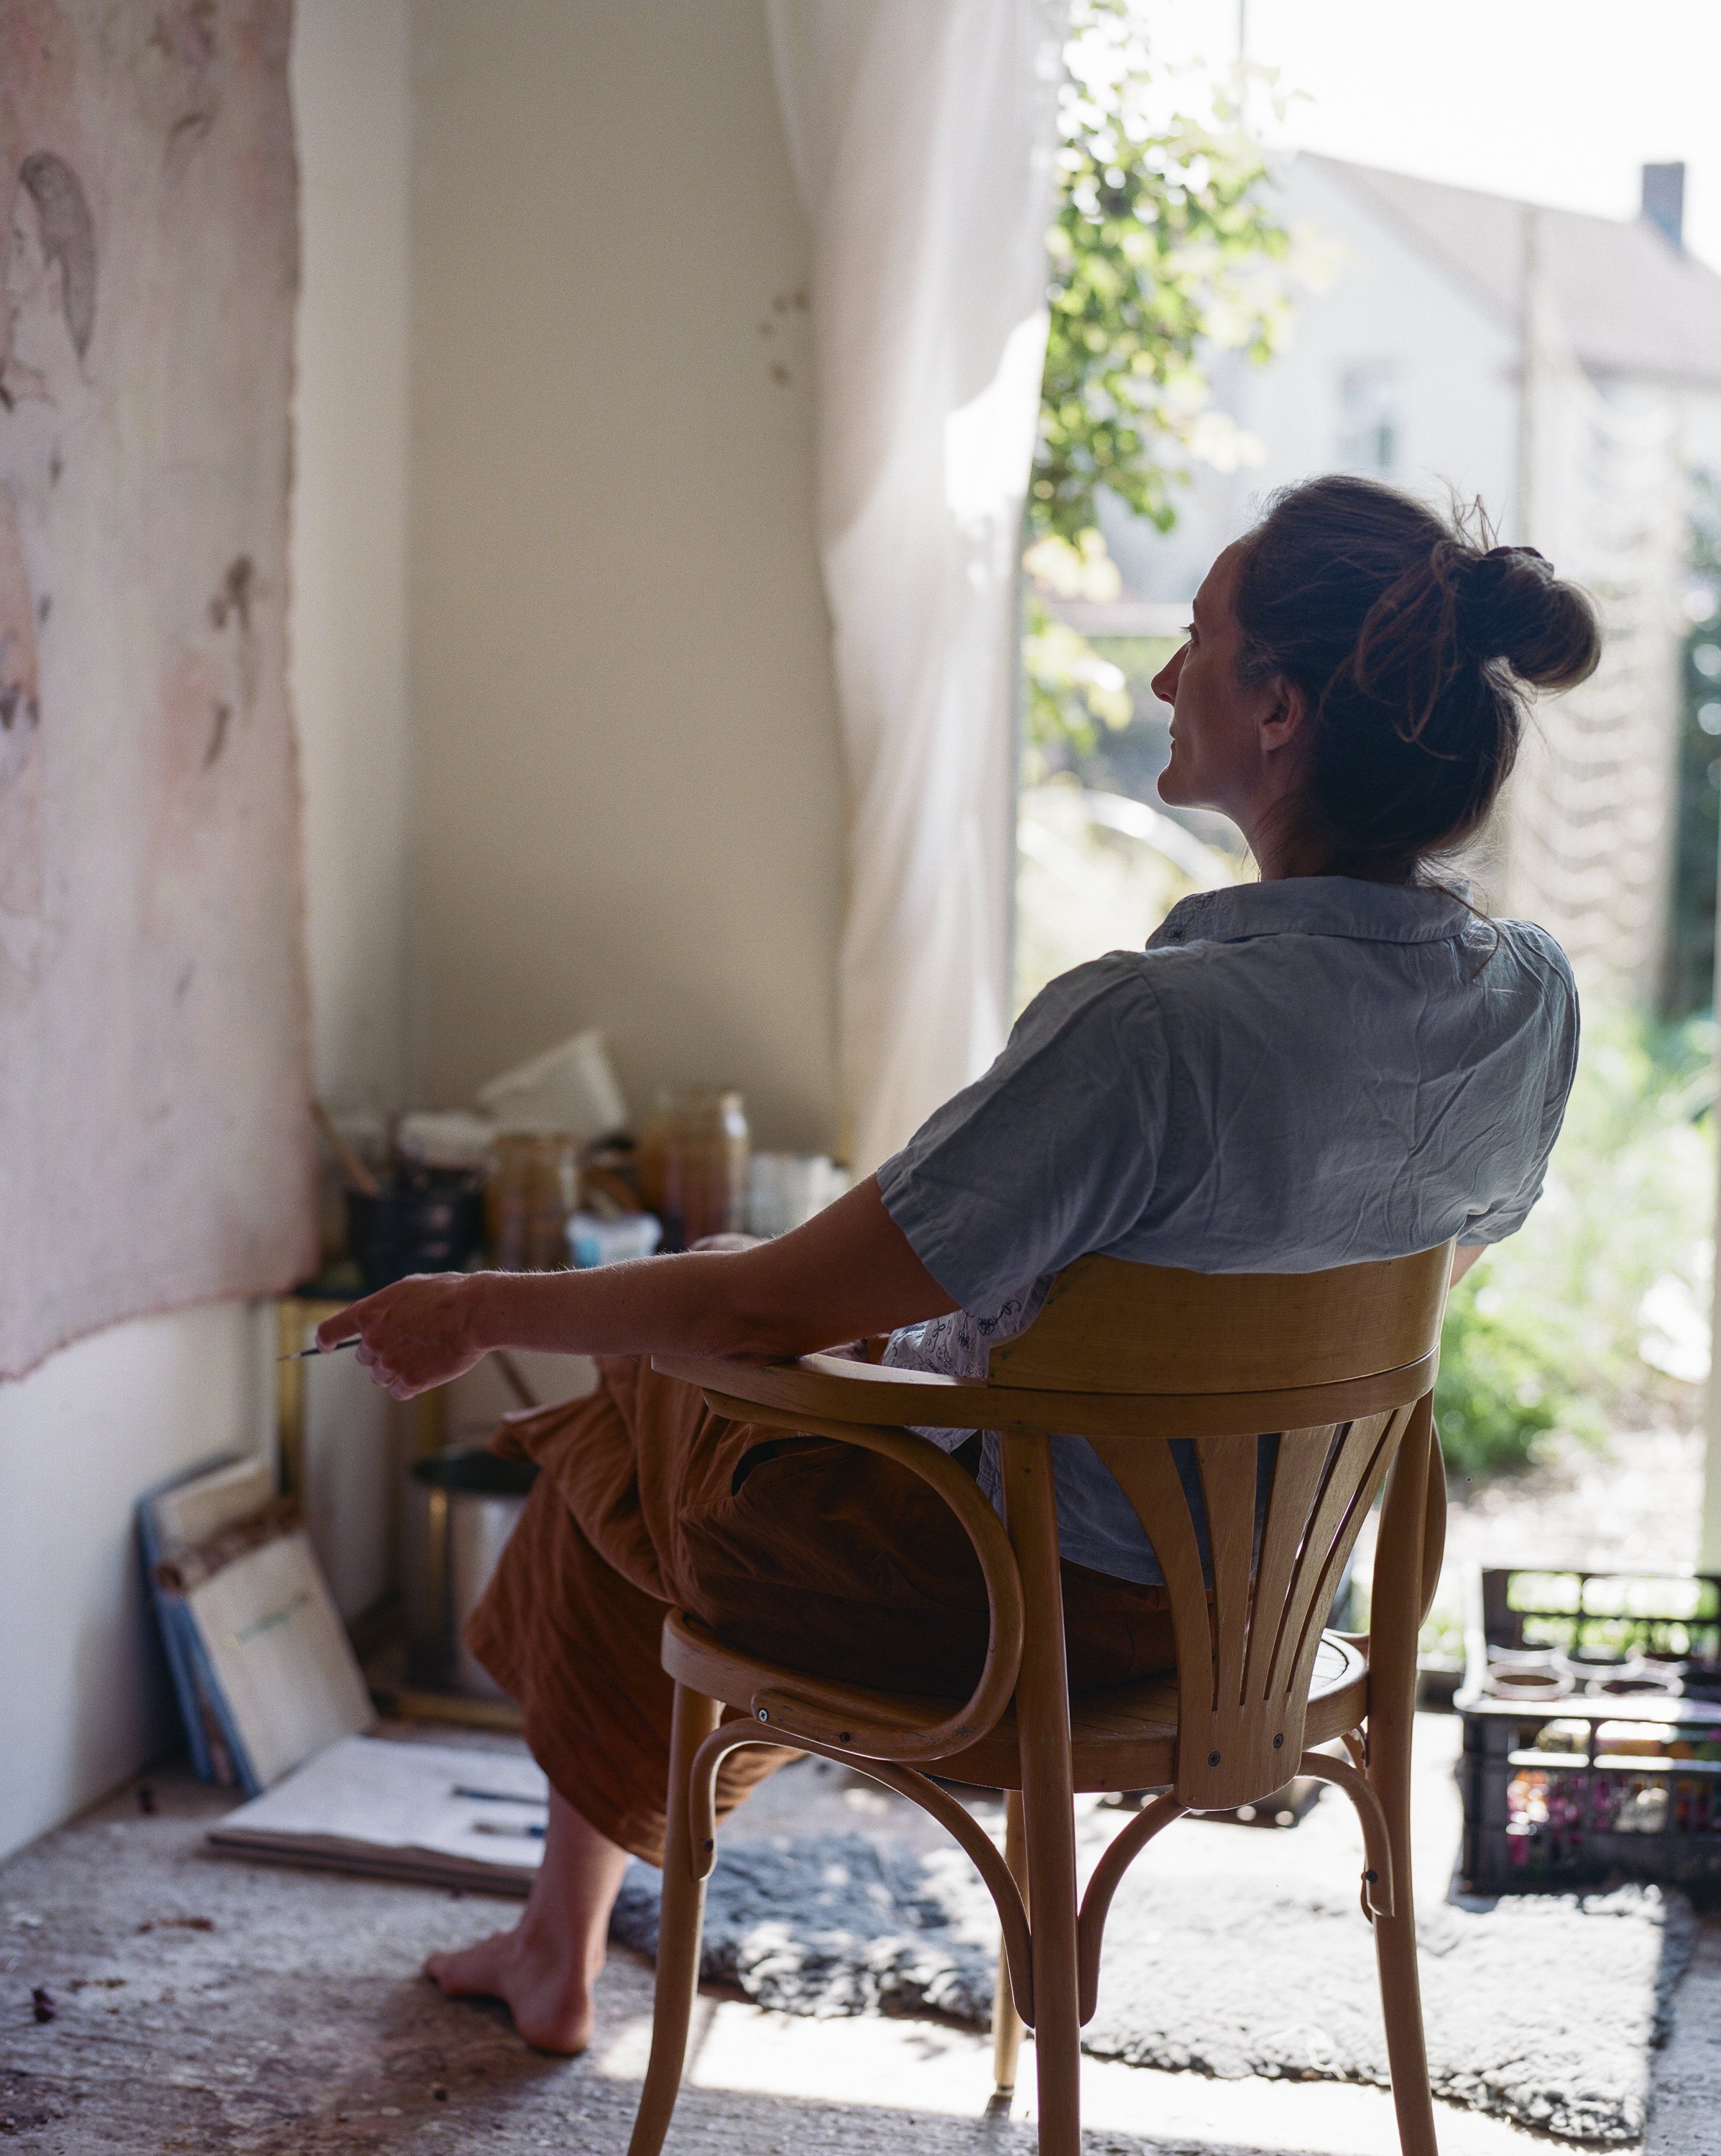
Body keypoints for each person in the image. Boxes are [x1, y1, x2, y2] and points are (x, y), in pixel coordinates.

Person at [322, 474, 1599, 2053]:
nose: (1158, 674)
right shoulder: (1524, 999)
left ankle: (550, 1947)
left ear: (1275, 710)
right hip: (1266, 1623)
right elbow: (1412, 1285)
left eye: (1192, 636)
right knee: (658, 1416)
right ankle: (547, 1945)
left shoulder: (1149, 1032)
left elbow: (757, 1304)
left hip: (1011, 1629)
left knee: (641, 1396)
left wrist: (476, 1307)